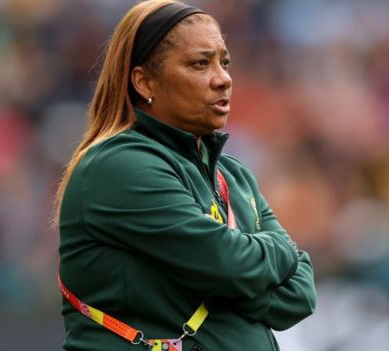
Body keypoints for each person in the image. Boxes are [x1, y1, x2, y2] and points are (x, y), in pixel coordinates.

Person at [54, 1, 316, 350]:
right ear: (145, 82)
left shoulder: (233, 175)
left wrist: (234, 276)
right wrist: (272, 256)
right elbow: (232, 266)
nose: (223, 79)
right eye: (200, 63)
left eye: (224, 63)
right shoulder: (118, 166)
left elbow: (300, 296)